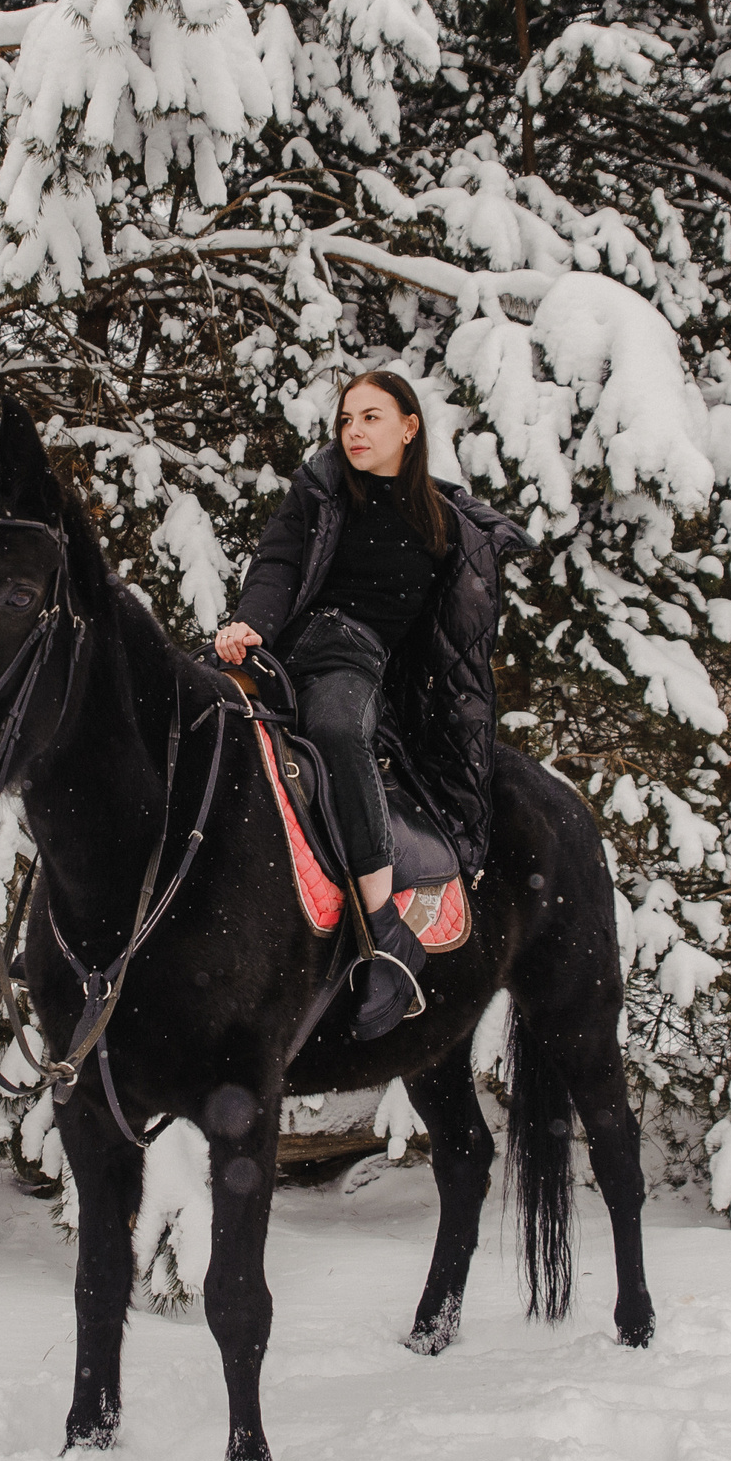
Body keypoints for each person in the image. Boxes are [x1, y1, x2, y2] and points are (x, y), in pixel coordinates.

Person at [214, 371, 532, 1041]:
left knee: (334, 728)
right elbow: (276, 565)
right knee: (192, 711)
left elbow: (450, 652)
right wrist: (249, 625)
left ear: (409, 427)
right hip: (282, 649)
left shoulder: (447, 529)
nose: (354, 432)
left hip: (355, 661)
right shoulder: (321, 491)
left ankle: (385, 928)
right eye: (346, 420)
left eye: (371, 418)